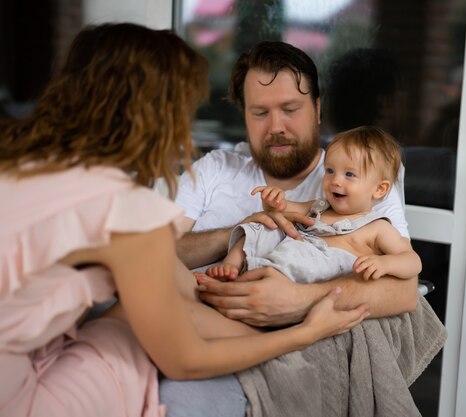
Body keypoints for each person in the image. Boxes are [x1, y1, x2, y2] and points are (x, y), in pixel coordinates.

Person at [0, 23, 371, 417]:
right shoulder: (120, 207)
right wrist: (305, 334)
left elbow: (176, 280)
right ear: (152, 114)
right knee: (128, 338)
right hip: (19, 398)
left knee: (126, 315)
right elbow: (184, 360)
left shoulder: (22, 167)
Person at [168, 40, 421, 417]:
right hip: (186, 319)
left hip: (268, 351)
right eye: (259, 113)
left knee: (176, 398)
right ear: (244, 115)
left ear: (317, 109)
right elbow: (154, 252)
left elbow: (404, 292)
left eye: (290, 109)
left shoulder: (357, 179)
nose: (276, 127)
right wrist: (237, 231)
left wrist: (298, 302)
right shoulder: (214, 169)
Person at [206, 126, 422, 283]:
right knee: (263, 226)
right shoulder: (319, 206)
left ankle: (257, 280)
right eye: (330, 171)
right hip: (286, 255)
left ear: (380, 189)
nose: (335, 180)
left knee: (301, 258)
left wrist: (385, 265)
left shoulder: (378, 228)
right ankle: (231, 265)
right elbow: (281, 211)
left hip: (311, 273)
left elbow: (412, 261)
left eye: (349, 174)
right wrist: (273, 202)